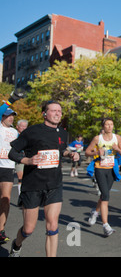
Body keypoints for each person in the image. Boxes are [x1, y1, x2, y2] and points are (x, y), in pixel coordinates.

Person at [8, 101, 79, 257]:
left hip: (54, 184)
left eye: (59, 111)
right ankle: (17, 244)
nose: (57, 113)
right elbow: (12, 153)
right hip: (33, 184)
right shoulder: (32, 131)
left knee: (52, 224)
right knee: (28, 229)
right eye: (53, 110)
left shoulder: (62, 133)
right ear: (44, 113)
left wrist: (70, 154)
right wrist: (27, 161)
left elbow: (61, 150)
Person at [85, 118, 121, 237]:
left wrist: (117, 149)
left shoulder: (117, 138)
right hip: (100, 168)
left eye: (111, 124)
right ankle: (105, 225)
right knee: (106, 196)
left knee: (104, 194)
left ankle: (95, 212)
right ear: (103, 126)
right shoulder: (98, 138)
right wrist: (97, 153)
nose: (109, 126)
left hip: (111, 169)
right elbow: (87, 152)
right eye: (107, 124)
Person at [0, 108, 19, 244]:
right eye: (8, 116)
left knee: (6, 199)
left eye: (12, 116)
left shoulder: (15, 132)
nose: (11, 118)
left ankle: (1, 230)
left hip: (8, 167)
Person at [14, 119, 28, 194]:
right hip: (9, 157)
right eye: (22, 126)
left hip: (21, 157)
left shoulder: (27, 136)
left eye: (25, 126)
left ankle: (20, 196)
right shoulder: (13, 134)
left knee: (21, 177)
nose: (23, 128)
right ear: (17, 126)